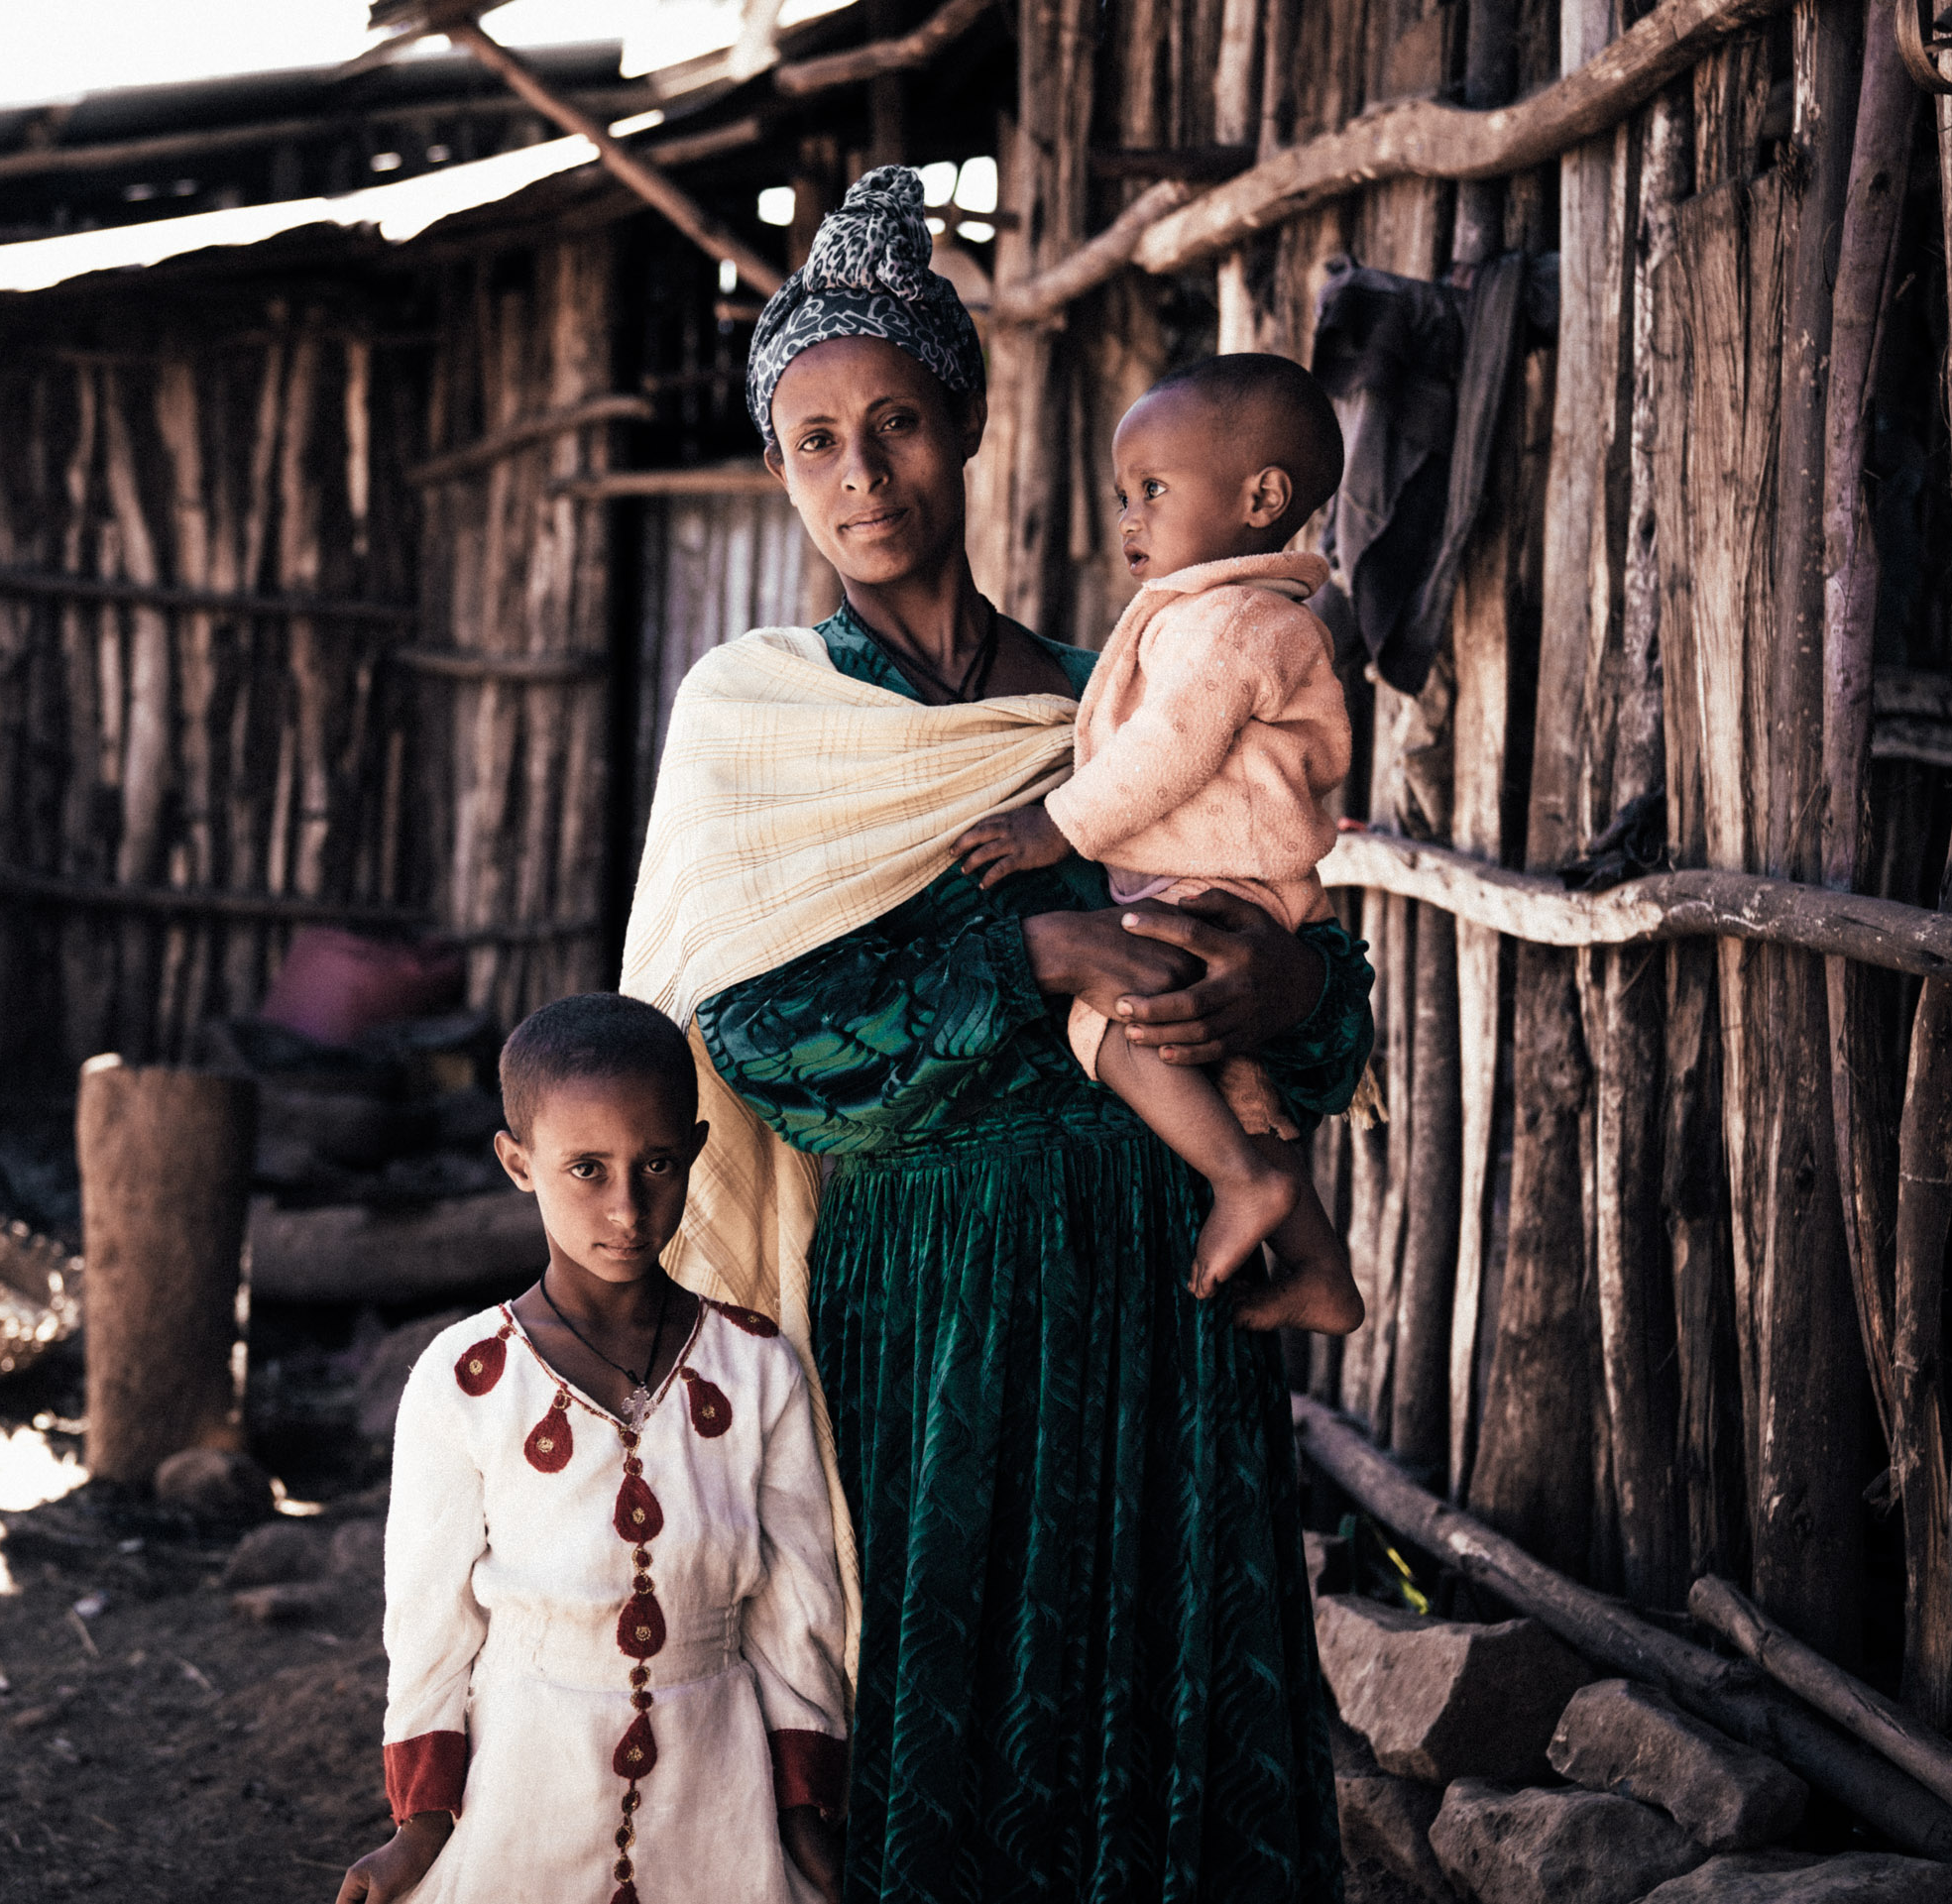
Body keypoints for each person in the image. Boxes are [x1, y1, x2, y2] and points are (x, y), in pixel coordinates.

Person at [621, 166, 1370, 1899]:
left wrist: (1279, 993)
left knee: (1171, 1724)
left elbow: (1305, 991)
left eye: (895, 424)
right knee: (955, 1733)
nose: (861, 474)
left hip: (1162, 1286)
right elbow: (764, 1044)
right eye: (814, 441)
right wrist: (1037, 952)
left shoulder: (1115, 702)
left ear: (963, 430)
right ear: (780, 466)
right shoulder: (759, 722)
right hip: (925, 1320)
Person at [335, 993, 850, 1904]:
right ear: (517, 1162)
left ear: (694, 1150)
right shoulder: (462, 1379)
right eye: (587, 1168)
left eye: (655, 1163)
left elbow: (798, 1602)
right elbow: (429, 1616)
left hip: (718, 1787)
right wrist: (418, 1827)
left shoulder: (758, 1366)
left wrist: (804, 1812)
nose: (628, 1205)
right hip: (526, 1784)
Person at [953, 355, 1365, 1334]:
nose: (1128, 518)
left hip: (1221, 886)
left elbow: (1168, 751)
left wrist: (1052, 826)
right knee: (1233, 1075)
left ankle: (1242, 1182)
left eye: (1152, 489)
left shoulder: (1232, 623)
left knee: (1111, 1007)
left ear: (1263, 497)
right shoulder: (1210, 615)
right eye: (1121, 494)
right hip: (1223, 882)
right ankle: (1316, 1266)